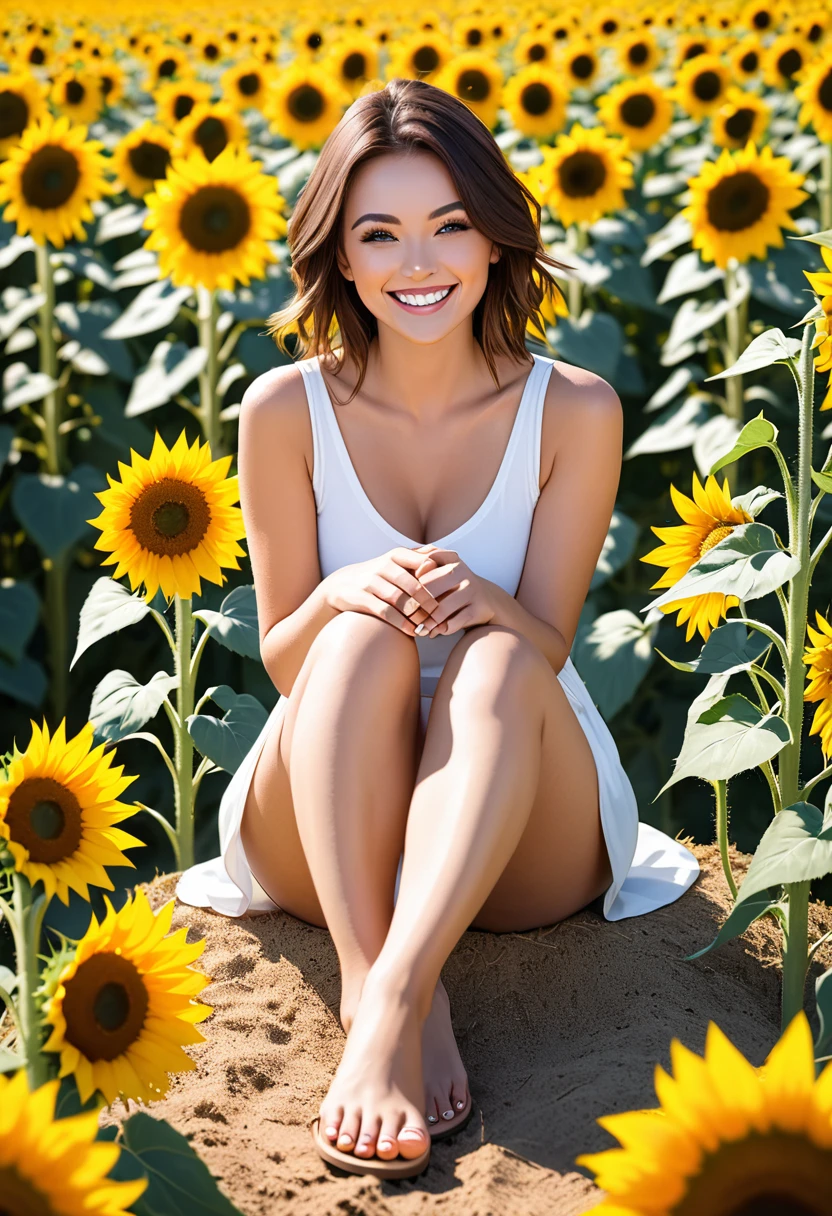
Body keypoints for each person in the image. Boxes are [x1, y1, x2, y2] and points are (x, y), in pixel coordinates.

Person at [175, 77, 699, 1180]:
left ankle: (398, 994)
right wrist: (343, 592)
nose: (420, 263)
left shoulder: (575, 409)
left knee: (500, 652)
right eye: (382, 233)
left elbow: (549, 643)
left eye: (450, 225)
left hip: (519, 814)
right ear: (342, 257)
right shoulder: (283, 407)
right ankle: (382, 985)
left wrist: (487, 602)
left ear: (497, 240)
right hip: (320, 807)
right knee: (354, 637)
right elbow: (283, 656)